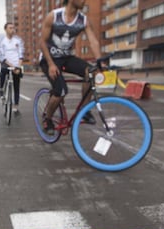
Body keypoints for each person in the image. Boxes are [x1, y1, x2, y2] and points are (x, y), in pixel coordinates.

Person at [39, 0, 102, 134]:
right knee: (61, 91)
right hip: (49, 59)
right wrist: (50, 64)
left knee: (91, 73)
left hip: (67, 58)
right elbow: (42, 42)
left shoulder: (83, 20)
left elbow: (93, 41)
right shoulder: (53, 16)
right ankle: (47, 118)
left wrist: (99, 61)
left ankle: (84, 111)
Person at [0, 22, 25, 113]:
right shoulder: (1, 41)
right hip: (6, 63)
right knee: (3, 70)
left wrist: (18, 66)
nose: (13, 30)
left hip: (16, 64)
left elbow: (21, 54)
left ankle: (16, 105)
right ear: (5, 29)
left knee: (16, 86)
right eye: (10, 28)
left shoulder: (18, 40)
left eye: (13, 28)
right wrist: (12, 66)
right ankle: (1, 89)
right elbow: (1, 56)